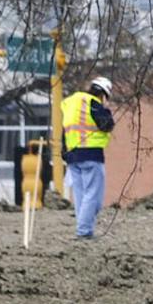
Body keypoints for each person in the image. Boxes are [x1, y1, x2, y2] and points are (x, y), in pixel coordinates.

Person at [59, 76, 116, 239]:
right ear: (103, 94)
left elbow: (66, 130)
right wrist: (106, 109)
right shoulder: (93, 103)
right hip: (91, 155)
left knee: (81, 196)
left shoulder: (72, 104)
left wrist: (65, 151)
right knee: (93, 197)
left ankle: (84, 229)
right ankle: (84, 232)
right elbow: (107, 125)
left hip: (72, 155)